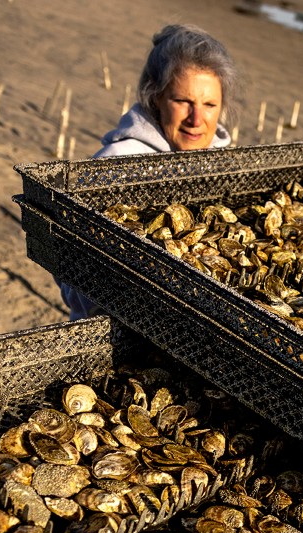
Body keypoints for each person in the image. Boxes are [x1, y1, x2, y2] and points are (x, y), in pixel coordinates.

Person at [60, 23, 239, 320]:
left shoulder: (223, 167)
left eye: (209, 104)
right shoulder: (117, 162)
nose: (197, 119)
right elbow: (70, 280)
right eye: (183, 101)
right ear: (155, 96)